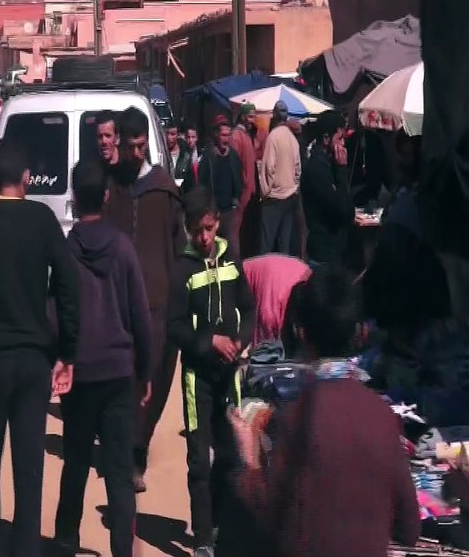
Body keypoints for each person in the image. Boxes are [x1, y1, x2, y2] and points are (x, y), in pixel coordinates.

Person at [230, 266, 420, 557]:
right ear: (361, 333)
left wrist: (250, 461)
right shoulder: (382, 416)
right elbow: (408, 529)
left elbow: (267, 518)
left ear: (301, 333)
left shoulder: (299, 415)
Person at [0, 137, 78, 557]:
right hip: (33, 360)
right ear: (27, 178)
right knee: (29, 467)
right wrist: (66, 349)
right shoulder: (43, 221)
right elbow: (67, 285)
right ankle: (26, 548)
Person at [54, 160, 152, 557]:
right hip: (118, 374)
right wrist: (145, 371)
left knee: (75, 463)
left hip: (79, 373)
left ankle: (64, 543)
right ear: (108, 198)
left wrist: (60, 359)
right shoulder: (124, 248)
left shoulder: (66, 251)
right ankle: (121, 550)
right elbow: (141, 316)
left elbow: (54, 311)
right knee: (117, 472)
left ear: (74, 199)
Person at [167, 187, 255, 557]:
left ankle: (221, 525)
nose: (204, 237)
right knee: (200, 462)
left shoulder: (232, 260)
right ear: (187, 230)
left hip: (229, 377)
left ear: (218, 223)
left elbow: (249, 308)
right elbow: (173, 327)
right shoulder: (182, 268)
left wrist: (242, 340)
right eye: (196, 230)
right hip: (197, 381)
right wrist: (209, 342)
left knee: (231, 456)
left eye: (208, 228)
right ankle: (203, 539)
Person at [104, 106, 184, 492]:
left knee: (156, 379)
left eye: (142, 146)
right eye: (131, 145)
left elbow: (179, 246)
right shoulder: (112, 187)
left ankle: (139, 446)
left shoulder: (164, 189)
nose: (138, 153)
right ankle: (126, 450)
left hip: (158, 305)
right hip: (118, 304)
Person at [301, 111, 354, 267]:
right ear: (326, 138)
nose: (343, 144)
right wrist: (342, 170)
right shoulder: (317, 169)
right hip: (324, 254)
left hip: (336, 251)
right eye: (340, 138)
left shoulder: (329, 165)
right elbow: (343, 210)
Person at [259, 101, 301, 256]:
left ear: (275, 115)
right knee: (284, 245)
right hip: (290, 197)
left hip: (274, 198)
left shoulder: (273, 137)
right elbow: (298, 169)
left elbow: (268, 168)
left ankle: (264, 278)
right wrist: (294, 187)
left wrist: (265, 192)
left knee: (266, 244)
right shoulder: (292, 139)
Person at [198, 118, 243, 258]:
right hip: (213, 210)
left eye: (228, 135)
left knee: (233, 251)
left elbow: (238, 179)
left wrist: (236, 200)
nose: (226, 139)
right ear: (217, 136)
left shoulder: (233, 156)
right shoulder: (208, 157)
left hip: (229, 212)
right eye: (223, 135)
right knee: (212, 250)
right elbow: (202, 182)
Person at [243, 254, 312, 347]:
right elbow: (261, 353)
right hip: (236, 282)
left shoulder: (307, 274)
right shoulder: (271, 315)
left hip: (274, 275)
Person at [230, 104, 258, 257]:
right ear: (243, 116)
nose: (252, 120)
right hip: (242, 192)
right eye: (250, 116)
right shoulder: (236, 136)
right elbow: (235, 165)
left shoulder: (247, 135)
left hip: (249, 191)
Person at [167, 123, 195, 189]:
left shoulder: (186, 155)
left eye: (172, 134)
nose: (169, 137)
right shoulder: (159, 154)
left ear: (178, 135)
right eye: (166, 133)